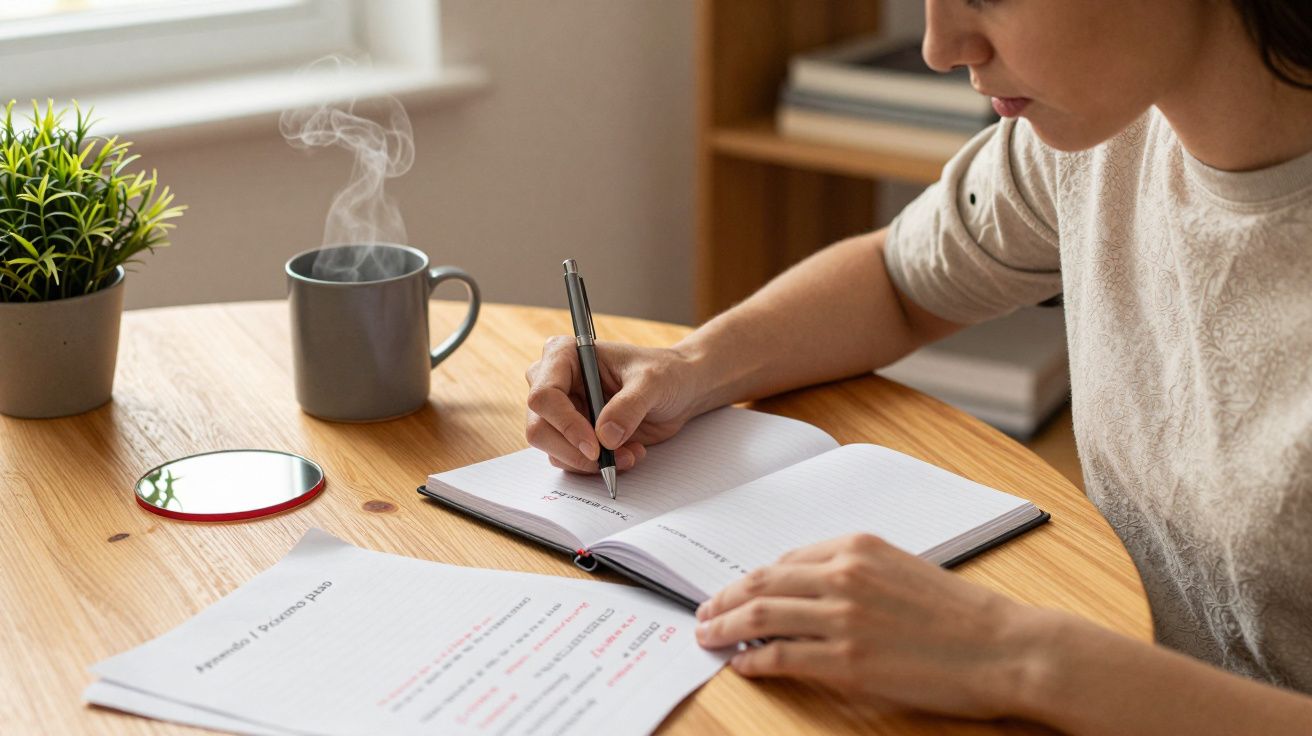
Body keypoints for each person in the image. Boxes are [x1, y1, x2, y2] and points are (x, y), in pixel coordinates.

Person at [524, 0, 1312, 731]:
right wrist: (690, 366)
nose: (941, 48)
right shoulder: (1111, 138)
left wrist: (1018, 654)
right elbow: (900, 281)